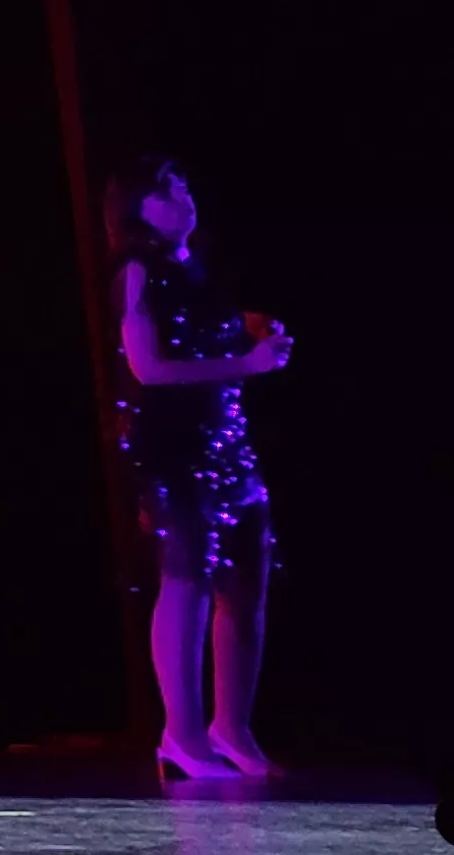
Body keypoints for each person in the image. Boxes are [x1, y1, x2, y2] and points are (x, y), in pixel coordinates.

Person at [105, 157, 290, 781]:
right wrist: (250, 365)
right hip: (175, 449)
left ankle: (231, 726)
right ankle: (181, 734)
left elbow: (207, 332)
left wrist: (248, 328)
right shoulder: (136, 271)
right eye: (165, 189)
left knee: (247, 584)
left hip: (226, 446)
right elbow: (148, 368)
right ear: (136, 208)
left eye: (184, 185)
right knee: (186, 580)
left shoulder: (195, 269)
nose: (183, 196)